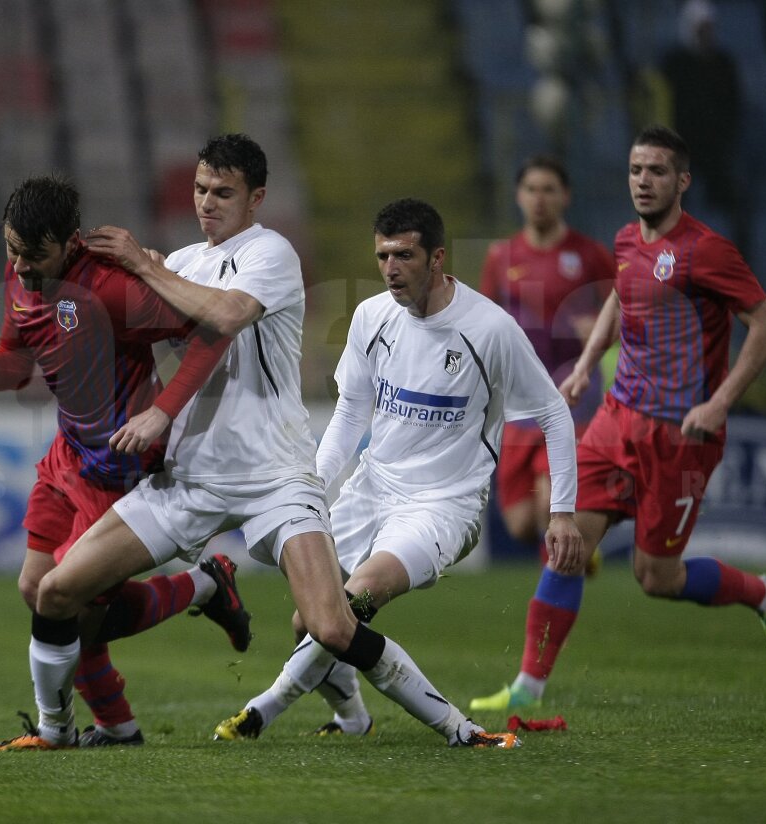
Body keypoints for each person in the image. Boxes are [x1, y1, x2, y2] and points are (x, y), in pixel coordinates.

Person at [11, 133, 522, 751]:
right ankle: (55, 731)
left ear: (255, 198)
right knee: (56, 591)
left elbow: (226, 315)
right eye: (200, 189)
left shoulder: (270, 252)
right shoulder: (183, 263)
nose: (207, 202)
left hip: (274, 477)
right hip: (189, 477)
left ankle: (461, 730)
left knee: (330, 625)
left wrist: (145, 267)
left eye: (223, 193)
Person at [208, 197, 583, 740]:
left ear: (437, 258)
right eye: (383, 256)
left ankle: (264, 708)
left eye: (404, 255)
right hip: (372, 487)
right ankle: (353, 719)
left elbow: (553, 412)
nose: (390, 268)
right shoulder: (371, 317)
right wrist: (312, 486)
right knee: (308, 621)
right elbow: (350, 413)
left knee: (354, 599)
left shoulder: (489, 329)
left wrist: (563, 512)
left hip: (442, 506)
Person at [0, 174, 251, 748]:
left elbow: (213, 333)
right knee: (36, 588)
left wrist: (163, 411)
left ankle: (196, 593)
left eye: (34, 255)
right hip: (67, 454)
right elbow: (16, 365)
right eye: (12, 250)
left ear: (70, 242)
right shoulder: (21, 275)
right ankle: (118, 723)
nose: (20, 266)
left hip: (118, 470)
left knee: (68, 606)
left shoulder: (112, 290)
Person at [470, 125, 766, 714]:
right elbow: (620, 299)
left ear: (682, 181)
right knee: (565, 542)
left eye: (657, 171)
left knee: (656, 577)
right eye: (636, 170)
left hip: (680, 436)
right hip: (615, 420)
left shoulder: (707, 251)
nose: (643, 181)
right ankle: (527, 687)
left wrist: (720, 401)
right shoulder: (625, 240)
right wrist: (585, 365)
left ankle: (765, 595)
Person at [480, 155, 613, 568]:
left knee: (548, 501)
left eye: (549, 190)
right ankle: (577, 555)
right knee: (520, 522)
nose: (540, 198)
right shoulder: (501, 257)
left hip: (571, 394)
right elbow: (481, 321)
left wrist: (603, 330)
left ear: (565, 196)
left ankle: (557, 587)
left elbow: (626, 309)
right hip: (519, 400)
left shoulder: (589, 255)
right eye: (532, 189)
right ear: (519, 196)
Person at [659, 0, 744, 250]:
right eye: (700, 30)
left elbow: (732, 105)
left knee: (725, 198)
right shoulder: (674, 64)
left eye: (709, 30)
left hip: (715, 147)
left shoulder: (723, 64)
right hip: (682, 146)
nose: (705, 36)